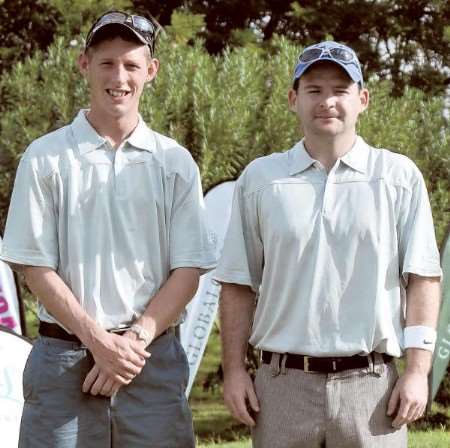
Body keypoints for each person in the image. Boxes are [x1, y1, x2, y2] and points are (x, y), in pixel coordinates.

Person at [0, 10, 216, 448]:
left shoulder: (174, 163)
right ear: (84, 64)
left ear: (151, 71)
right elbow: (34, 265)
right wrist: (98, 340)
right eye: (107, 62)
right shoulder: (45, 158)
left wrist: (130, 343)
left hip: (148, 360)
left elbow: (189, 269)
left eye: (132, 64)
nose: (119, 76)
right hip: (63, 363)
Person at [215, 40, 442, 447]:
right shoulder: (261, 180)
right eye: (314, 90)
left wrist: (416, 371)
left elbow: (423, 278)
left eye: (340, 90)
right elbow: (236, 283)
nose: (327, 102)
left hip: (372, 390)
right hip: (281, 388)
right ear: (293, 99)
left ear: (363, 99)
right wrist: (233, 370)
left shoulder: (398, 177)